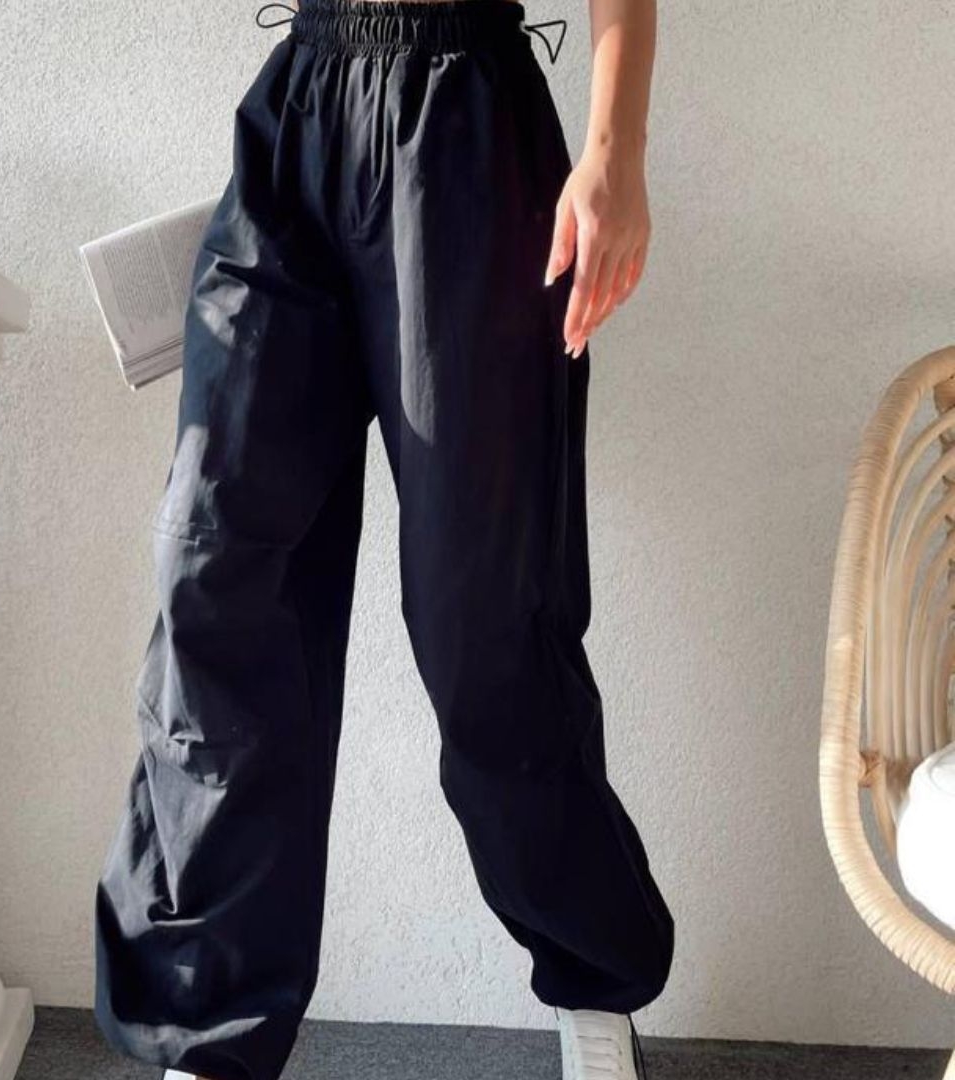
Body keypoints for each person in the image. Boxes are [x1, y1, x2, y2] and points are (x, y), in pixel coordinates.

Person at [93, 1, 673, 1078]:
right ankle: (210, 1026)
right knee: (213, 574)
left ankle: (594, 982)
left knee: (486, 616)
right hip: (297, 116)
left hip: (469, 124)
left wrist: (614, 154)